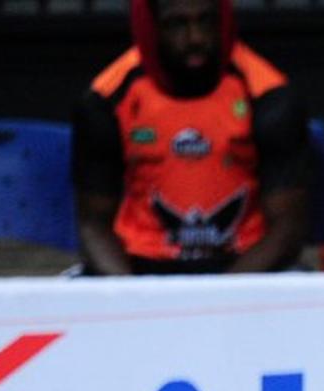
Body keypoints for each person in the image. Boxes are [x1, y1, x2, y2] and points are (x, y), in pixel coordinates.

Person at [71, 0, 310, 274]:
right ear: (150, 28)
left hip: (245, 269)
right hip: (139, 269)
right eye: (177, 24)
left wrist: (216, 305)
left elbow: (287, 231)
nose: (195, 38)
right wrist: (132, 299)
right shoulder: (106, 98)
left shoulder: (270, 95)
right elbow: (93, 225)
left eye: (206, 21)